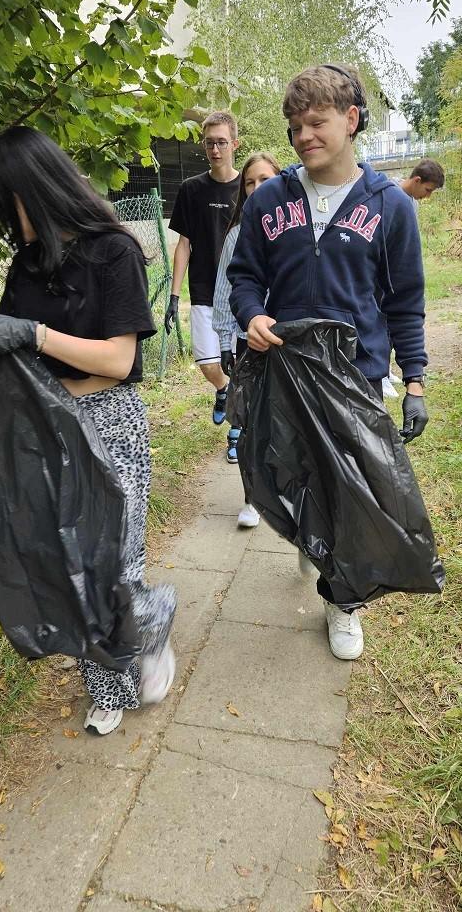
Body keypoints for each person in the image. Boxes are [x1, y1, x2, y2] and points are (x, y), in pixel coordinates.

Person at [0, 126, 176, 736]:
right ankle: (107, 685)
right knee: (70, 565)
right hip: (52, 430)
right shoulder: (27, 264)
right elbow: (19, 360)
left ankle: (151, 620)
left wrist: (35, 336)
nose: (3, 221)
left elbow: (118, 360)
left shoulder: (114, 251)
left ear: (32, 191)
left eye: (4, 204)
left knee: (113, 562)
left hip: (110, 424)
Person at [228, 64, 429, 662]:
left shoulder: (391, 207)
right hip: (285, 369)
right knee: (293, 474)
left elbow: (405, 302)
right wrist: (251, 316)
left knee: (352, 493)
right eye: (294, 127)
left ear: (351, 119)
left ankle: (343, 603)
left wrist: (413, 380)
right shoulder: (268, 200)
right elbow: (243, 277)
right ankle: (313, 539)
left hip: (355, 376)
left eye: (316, 123)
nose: (303, 136)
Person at [212, 151, 281, 527]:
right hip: (247, 341)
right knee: (251, 424)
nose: (257, 189)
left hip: (288, 343)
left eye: (265, 181)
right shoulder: (237, 234)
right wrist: (225, 340)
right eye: (250, 182)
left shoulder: (293, 228)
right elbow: (225, 289)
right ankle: (252, 500)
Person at [165, 112, 241, 426]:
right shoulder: (191, 189)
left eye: (222, 142)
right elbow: (184, 244)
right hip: (203, 290)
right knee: (209, 364)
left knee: (240, 364)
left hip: (241, 293)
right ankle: (223, 389)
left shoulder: (248, 187)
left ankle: (238, 431)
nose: (216, 149)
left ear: (235, 143)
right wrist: (173, 295)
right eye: (210, 143)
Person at [380, 158, 445, 396]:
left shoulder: (411, 202)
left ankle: (388, 371)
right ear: (417, 180)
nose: (427, 196)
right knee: (383, 324)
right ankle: (382, 374)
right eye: (427, 190)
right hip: (383, 277)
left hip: (401, 273)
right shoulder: (388, 195)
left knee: (393, 323)